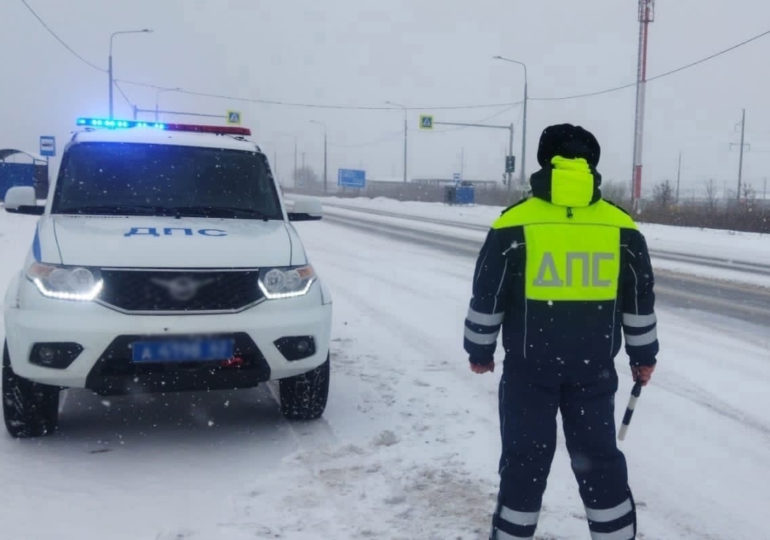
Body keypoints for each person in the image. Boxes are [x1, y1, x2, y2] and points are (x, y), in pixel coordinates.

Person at [464, 124, 658, 540]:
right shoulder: (621, 228)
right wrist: (643, 357)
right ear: (593, 166)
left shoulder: (514, 224)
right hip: (593, 372)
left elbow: (488, 295)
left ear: (542, 162)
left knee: (524, 463)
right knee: (600, 462)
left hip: (528, 373)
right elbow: (639, 303)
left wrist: (480, 350)